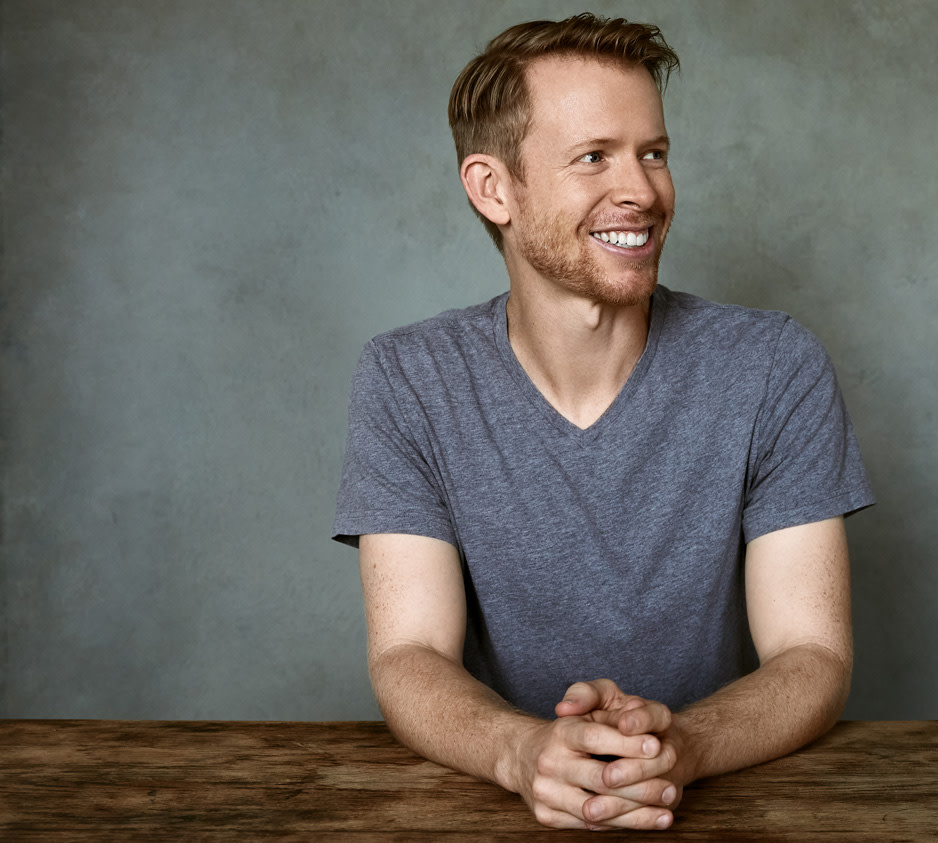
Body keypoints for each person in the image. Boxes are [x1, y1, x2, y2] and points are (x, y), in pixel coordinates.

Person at [333, 13, 873, 832]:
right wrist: (522, 752)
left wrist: (680, 746)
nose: (643, 191)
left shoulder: (773, 366)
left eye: (652, 153)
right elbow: (410, 656)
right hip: (498, 810)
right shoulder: (409, 378)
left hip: (720, 805)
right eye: (594, 157)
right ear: (493, 188)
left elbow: (814, 656)